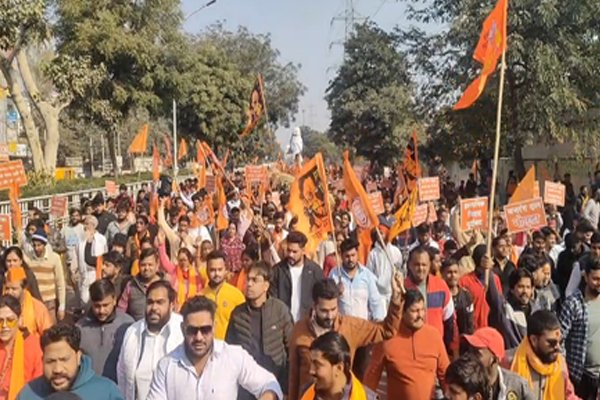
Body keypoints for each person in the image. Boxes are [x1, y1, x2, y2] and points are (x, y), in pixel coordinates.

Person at [288, 277, 404, 400]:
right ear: (314, 306)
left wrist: (396, 301)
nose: (330, 316)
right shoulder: (300, 330)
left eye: (333, 309)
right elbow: (293, 375)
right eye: (324, 311)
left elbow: (386, 330)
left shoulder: (350, 327)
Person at [146, 295, 283, 400]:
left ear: (214, 328)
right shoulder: (167, 366)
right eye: (192, 330)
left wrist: (267, 396)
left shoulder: (232, 356)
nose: (199, 337)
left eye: (205, 330)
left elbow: (270, 384)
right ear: (183, 329)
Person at [363, 289, 449, 399]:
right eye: (415, 311)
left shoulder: (434, 336)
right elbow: (372, 376)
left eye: (422, 310)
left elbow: (446, 375)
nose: (420, 315)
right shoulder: (387, 337)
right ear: (402, 312)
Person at [226, 261, 293, 398]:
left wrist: (286, 387)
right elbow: (229, 352)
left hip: (275, 386)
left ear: (266, 286)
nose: (249, 284)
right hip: (246, 388)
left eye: (255, 280)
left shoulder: (279, 310)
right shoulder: (238, 314)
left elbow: (291, 348)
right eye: (248, 280)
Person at [17, 323, 123, 399]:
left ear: (78, 357)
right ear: (42, 360)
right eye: (50, 361)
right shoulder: (28, 394)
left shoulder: (106, 392)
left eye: (64, 360)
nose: (57, 369)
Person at [117, 280, 183, 400]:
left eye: (160, 302)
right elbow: (122, 374)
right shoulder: (132, 332)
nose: (154, 308)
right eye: (150, 302)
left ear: (171, 305)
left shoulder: (183, 331)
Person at [510, 310, 578, 400]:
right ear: (534, 340)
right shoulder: (510, 363)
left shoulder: (560, 363)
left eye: (560, 342)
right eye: (552, 342)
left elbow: (569, 396)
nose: (558, 347)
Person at [559, 255, 600, 399]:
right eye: (595, 279)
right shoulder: (573, 304)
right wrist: (564, 370)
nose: (599, 283)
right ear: (586, 277)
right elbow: (559, 339)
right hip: (580, 376)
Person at [77, 279, 134, 382]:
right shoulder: (80, 328)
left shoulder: (128, 325)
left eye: (105, 305)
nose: (101, 311)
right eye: (97, 306)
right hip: (90, 385)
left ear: (114, 300)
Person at [405, 246, 457, 351]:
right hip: (410, 347)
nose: (421, 268)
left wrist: (452, 348)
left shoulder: (440, 286)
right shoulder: (402, 288)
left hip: (436, 347)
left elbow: (450, 321)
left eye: (424, 265)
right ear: (409, 265)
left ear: (429, 265)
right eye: (417, 264)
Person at [301, 332, 378, 400]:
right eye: (311, 363)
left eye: (317, 365)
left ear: (339, 368)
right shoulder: (307, 392)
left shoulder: (367, 398)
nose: (311, 370)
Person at [461, 327, 534, 399]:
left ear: (494, 359)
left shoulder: (516, 385)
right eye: (469, 351)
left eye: (476, 353)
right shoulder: (462, 383)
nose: (470, 357)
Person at [270, 231, 324, 322]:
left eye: (294, 252)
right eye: (288, 250)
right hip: (283, 323)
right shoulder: (277, 270)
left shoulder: (315, 271)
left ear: (303, 250)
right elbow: (272, 300)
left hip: (306, 323)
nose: (290, 255)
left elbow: (321, 296)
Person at [329, 238, 385, 321]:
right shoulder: (334, 274)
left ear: (357, 254)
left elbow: (376, 302)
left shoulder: (366, 274)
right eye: (347, 256)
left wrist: (378, 321)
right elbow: (327, 302)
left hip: (362, 325)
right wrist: (336, 292)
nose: (350, 259)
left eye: (353, 255)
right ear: (341, 256)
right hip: (342, 325)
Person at [0, 295, 43, 399]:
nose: (4, 326)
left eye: (10, 320)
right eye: (0, 321)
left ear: (19, 320)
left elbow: (39, 386)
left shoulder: (33, 347)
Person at [199, 250, 245, 340]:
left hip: (229, 345)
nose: (216, 274)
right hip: (207, 344)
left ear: (225, 270)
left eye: (220, 269)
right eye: (212, 270)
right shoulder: (200, 296)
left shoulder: (236, 295)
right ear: (206, 271)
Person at [459, 245, 505, 332]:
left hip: (491, 328)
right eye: (486, 258)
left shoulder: (495, 279)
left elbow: (498, 303)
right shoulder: (465, 281)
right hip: (473, 329)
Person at [26, 229, 66, 322]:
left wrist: (62, 306)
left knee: (50, 328)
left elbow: (60, 283)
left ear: (44, 244)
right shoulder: (27, 258)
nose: (36, 248)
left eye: (39, 245)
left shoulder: (54, 258)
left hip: (49, 301)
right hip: (33, 301)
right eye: (34, 245)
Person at [3, 267, 52, 337]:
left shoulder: (38, 307)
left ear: (24, 288)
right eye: (7, 288)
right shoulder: (2, 306)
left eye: (14, 289)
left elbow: (48, 336)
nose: (9, 292)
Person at [117, 248, 163, 321]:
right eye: (143, 265)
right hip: (135, 326)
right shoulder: (131, 285)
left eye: (150, 265)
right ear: (138, 265)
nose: (146, 268)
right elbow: (121, 311)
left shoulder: (164, 285)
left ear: (157, 265)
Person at [77, 215, 108, 305]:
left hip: (96, 273)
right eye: (84, 224)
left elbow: (104, 255)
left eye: (87, 224)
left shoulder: (101, 239)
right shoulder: (80, 240)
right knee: (84, 301)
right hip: (84, 275)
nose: (85, 226)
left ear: (94, 225)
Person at [504, 269, 535, 350]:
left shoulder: (534, 309)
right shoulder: (507, 310)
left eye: (528, 287)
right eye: (521, 287)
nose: (525, 291)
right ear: (512, 289)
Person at [441, 259, 474, 335]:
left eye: (455, 272)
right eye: (449, 272)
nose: (453, 275)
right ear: (442, 274)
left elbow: (470, 322)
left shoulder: (466, 295)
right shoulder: (440, 296)